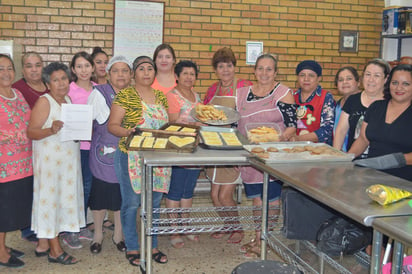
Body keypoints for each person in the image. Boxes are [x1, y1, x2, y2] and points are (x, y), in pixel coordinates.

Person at [108, 56, 170, 266]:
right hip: (130, 156)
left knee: (154, 204)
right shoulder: (125, 95)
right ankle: (133, 246)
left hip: (158, 158)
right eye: (141, 69)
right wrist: (128, 132)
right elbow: (112, 126)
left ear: (154, 73)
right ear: (134, 73)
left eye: (150, 69)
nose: (146, 72)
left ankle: (152, 245)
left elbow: (165, 127)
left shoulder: (161, 96)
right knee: (132, 203)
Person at [236, 53, 297, 258]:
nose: (264, 73)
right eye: (260, 68)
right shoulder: (242, 93)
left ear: (275, 72)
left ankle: (266, 239)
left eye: (269, 69)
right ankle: (257, 235)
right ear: (254, 71)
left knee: (270, 199)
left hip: (272, 156)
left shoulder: (283, 93)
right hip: (250, 157)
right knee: (256, 200)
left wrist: (275, 140)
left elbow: (291, 127)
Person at [28, 62, 84, 265]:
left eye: (64, 78)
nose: (61, 83)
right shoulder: (45, 102)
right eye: (55, 80)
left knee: (60, 204)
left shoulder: (67, 100)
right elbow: (31, 132)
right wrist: (50, 130)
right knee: (50, 204)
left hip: (67, 164)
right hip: (50, 165)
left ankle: (45, 243)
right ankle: (55, 250)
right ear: (47, 83)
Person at [203, 47, 252, 244]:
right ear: (216, 70)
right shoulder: (213, 89)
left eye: (229, 65)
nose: (225, 70)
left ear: (234, 67)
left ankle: (238, 228)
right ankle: (228, 224)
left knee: (225, 195)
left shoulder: (244, 87)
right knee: (214, 195)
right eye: (221, 66)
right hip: (214, 146)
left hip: (233, 147)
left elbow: (248, 116)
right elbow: (205, 114)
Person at [87, 56, 132, 254]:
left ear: (130, 75)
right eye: (116, 71)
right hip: (103, 155)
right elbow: (89, 122)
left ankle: (118, 235)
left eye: (124, 71)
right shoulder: (98, 93)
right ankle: (97, 234)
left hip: (127, 154)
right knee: (100, 197)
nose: (120, 74)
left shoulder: (134, 95)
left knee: (122, 197)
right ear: (108, 74)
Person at [349, 64, 412, 181]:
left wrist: (393, 160)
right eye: (395, 83)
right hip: (371, 176)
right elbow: (363, 139)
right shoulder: (376, 107)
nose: (399, 88)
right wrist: (347, 158)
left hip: (404, 181)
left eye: (406, 84)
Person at [12, 51, 49, 243]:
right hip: (26, 147)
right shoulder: (16, 89)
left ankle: (43, 223)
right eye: (29, 65)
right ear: (22, 69)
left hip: (50, 147)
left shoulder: (49, 86)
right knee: (29, 188)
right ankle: (27, 227)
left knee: (44, 188)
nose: (34, 70)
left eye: (37, 65)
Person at [0, 54, 33, 268]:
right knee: (2, 210)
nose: (6, 72)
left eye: (9, 68)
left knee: (11, 209)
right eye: (0, 68)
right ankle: (1, 253)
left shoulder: (18, 93)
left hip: (24, 164)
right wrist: (11, 137)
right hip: (3, 165)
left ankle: (3, 246)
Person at [165, 60, 202, 248]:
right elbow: (171, 123)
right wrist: (193, 125)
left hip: (194, 150)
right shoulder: (172, 96)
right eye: (185, 73)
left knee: (189, 189)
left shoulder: (197, 96)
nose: (189, 77)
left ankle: (185, 226)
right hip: (177, 150)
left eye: (192, 74)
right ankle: (174, 230)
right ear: (177, 76)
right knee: (175, 190)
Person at [61, 51, 95, 249]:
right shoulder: (68, 90)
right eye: (79, 66)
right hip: (75, 147)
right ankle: (69, 230)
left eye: (87, 66)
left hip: (94, 148)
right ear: (73, 69)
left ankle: (81, 225)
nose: (84, 70)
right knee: (72, 189)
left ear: (92, 68)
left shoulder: (99, 90)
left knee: (87, 188)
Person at [334, 59, 390, 157]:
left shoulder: (389, 103)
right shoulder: (352, 100)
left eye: (376, 75)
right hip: (353, 158)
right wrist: (336, 156)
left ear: (386, 79)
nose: (371, 79)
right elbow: (341, 130)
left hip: (379, 162)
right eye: (368, 74)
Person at [291, 60, 336, 145]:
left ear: (319, 78)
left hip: (319, 150)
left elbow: (327, 130)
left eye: (311, 75)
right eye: (302, 75)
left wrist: (298, 139)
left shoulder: (326, 97)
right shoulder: (291, 96)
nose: (306, 79)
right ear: (297, 78)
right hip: (294, 149)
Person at [332, 66, 360, 152]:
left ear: (358, 82)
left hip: (355, 155)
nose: (345, 82)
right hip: (338, 153)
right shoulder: (337, 105)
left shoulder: (364, 104)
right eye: (340, 80)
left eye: (349, 79)